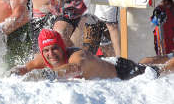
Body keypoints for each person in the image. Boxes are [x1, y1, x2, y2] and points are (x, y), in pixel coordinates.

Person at [12, 29, 174, 80]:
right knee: (146, 61)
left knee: (154, 70)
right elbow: (26, 67)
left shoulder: (77, 56)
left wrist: (50, 75)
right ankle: (169, 55)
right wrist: (17, 71)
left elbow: (74, 68)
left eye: (55, 48)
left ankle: (168, 64)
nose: (51, 54)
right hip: (110, 62)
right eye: (46, 50)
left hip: (121, 71)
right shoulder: (44, 58)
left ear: (62, 47)